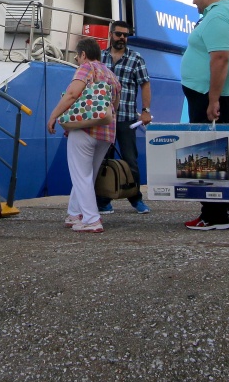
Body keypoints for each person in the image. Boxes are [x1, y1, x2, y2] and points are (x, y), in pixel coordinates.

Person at [181, 0, 229, 232]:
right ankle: (226, 203)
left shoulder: (218, 16)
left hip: (212, 95)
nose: (194, 2)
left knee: (203, 153)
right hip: (222, 92)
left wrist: (212, 99)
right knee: (216, 152)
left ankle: (213, 214)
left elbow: (220, 58)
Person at [49, 37, 122, 232]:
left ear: (83, 54)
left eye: (77, 56)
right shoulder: (111, 75)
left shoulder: (86, 68)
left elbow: (72, 94)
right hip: (106, 133)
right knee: (86, 175)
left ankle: (91, 219)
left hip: (84, 130)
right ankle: (74, 214)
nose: (77, 60)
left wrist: (54, 116)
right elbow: (115, 106)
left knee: (81, 175)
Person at [97, 20, 153, 215]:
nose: (122, 38)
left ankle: (136, 199)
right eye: (119, 34)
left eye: (125, 35)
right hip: (103, 119)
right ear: (111, 34)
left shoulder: (136, 58)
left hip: (127, 119)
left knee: (131, 161)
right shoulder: (100, 57)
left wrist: (146, 110)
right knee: (103, 161)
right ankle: (103, 201)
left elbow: (145, 84)